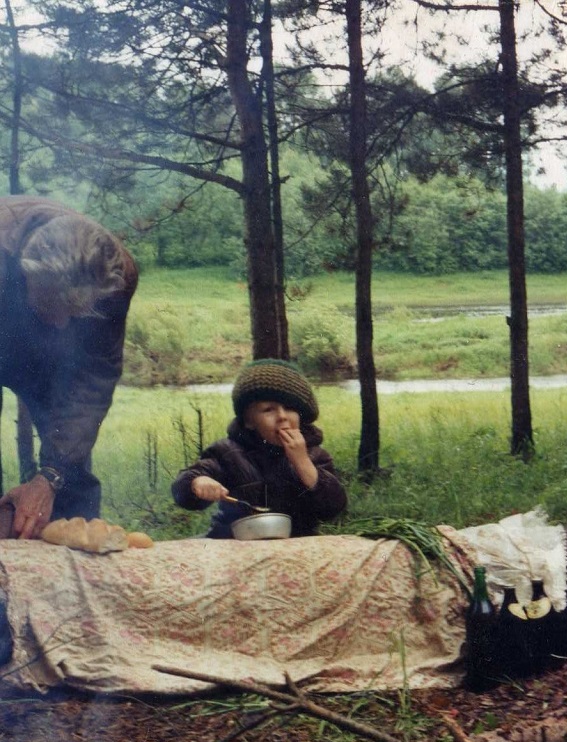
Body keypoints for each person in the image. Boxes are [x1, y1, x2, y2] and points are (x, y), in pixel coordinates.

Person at [0, 196, 138, 539]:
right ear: (27, 272)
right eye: (51, 306)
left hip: (52, 363)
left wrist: (50, 475)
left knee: (69, 465)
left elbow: (94, 378)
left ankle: (79, 552)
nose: (62, 323)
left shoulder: (115, 274)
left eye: (78, 312)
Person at [171, 358, 348, 538]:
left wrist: (302, 463)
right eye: (268, 409)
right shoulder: (228, 452)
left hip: (296, 543)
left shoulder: (315, 455)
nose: (282, 417)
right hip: (233, 541)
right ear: (249, 421)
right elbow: (182, 488)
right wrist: (197, 483)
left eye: (289, 408)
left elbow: (334, 508)